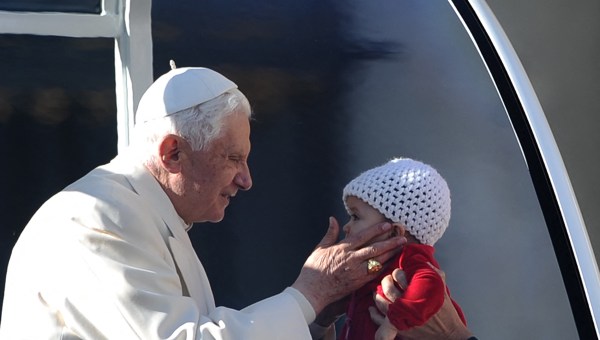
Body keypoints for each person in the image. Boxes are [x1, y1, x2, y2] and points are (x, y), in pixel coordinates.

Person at [0, 64, 472, 339]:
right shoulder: (95, 216)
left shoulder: (147, 217)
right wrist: (309, 293)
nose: (247, 180)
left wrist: (317, 310)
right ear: (173, 153)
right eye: (232, 158)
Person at [337, 158, 467, 340]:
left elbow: (431, 284)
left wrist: (392, 324)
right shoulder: (377, 264)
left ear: (395, 232)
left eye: (355, 216)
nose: (346, 226)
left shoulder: (409, 260)